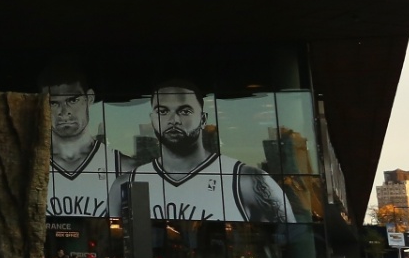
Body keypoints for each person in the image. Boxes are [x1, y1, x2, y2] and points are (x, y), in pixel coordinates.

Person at [121, 78, 292, 223]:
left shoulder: (247, 181)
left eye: (185, 111)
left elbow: (294, 238)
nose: (174, 120)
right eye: (162, 111)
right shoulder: (126, 184)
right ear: (152, 119)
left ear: (203, 119)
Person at [43, 65, 119, 219]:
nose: (64, 112)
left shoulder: (120, 165)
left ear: (89, 99)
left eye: (72, 100)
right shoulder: (30, 167)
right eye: (53, 103)